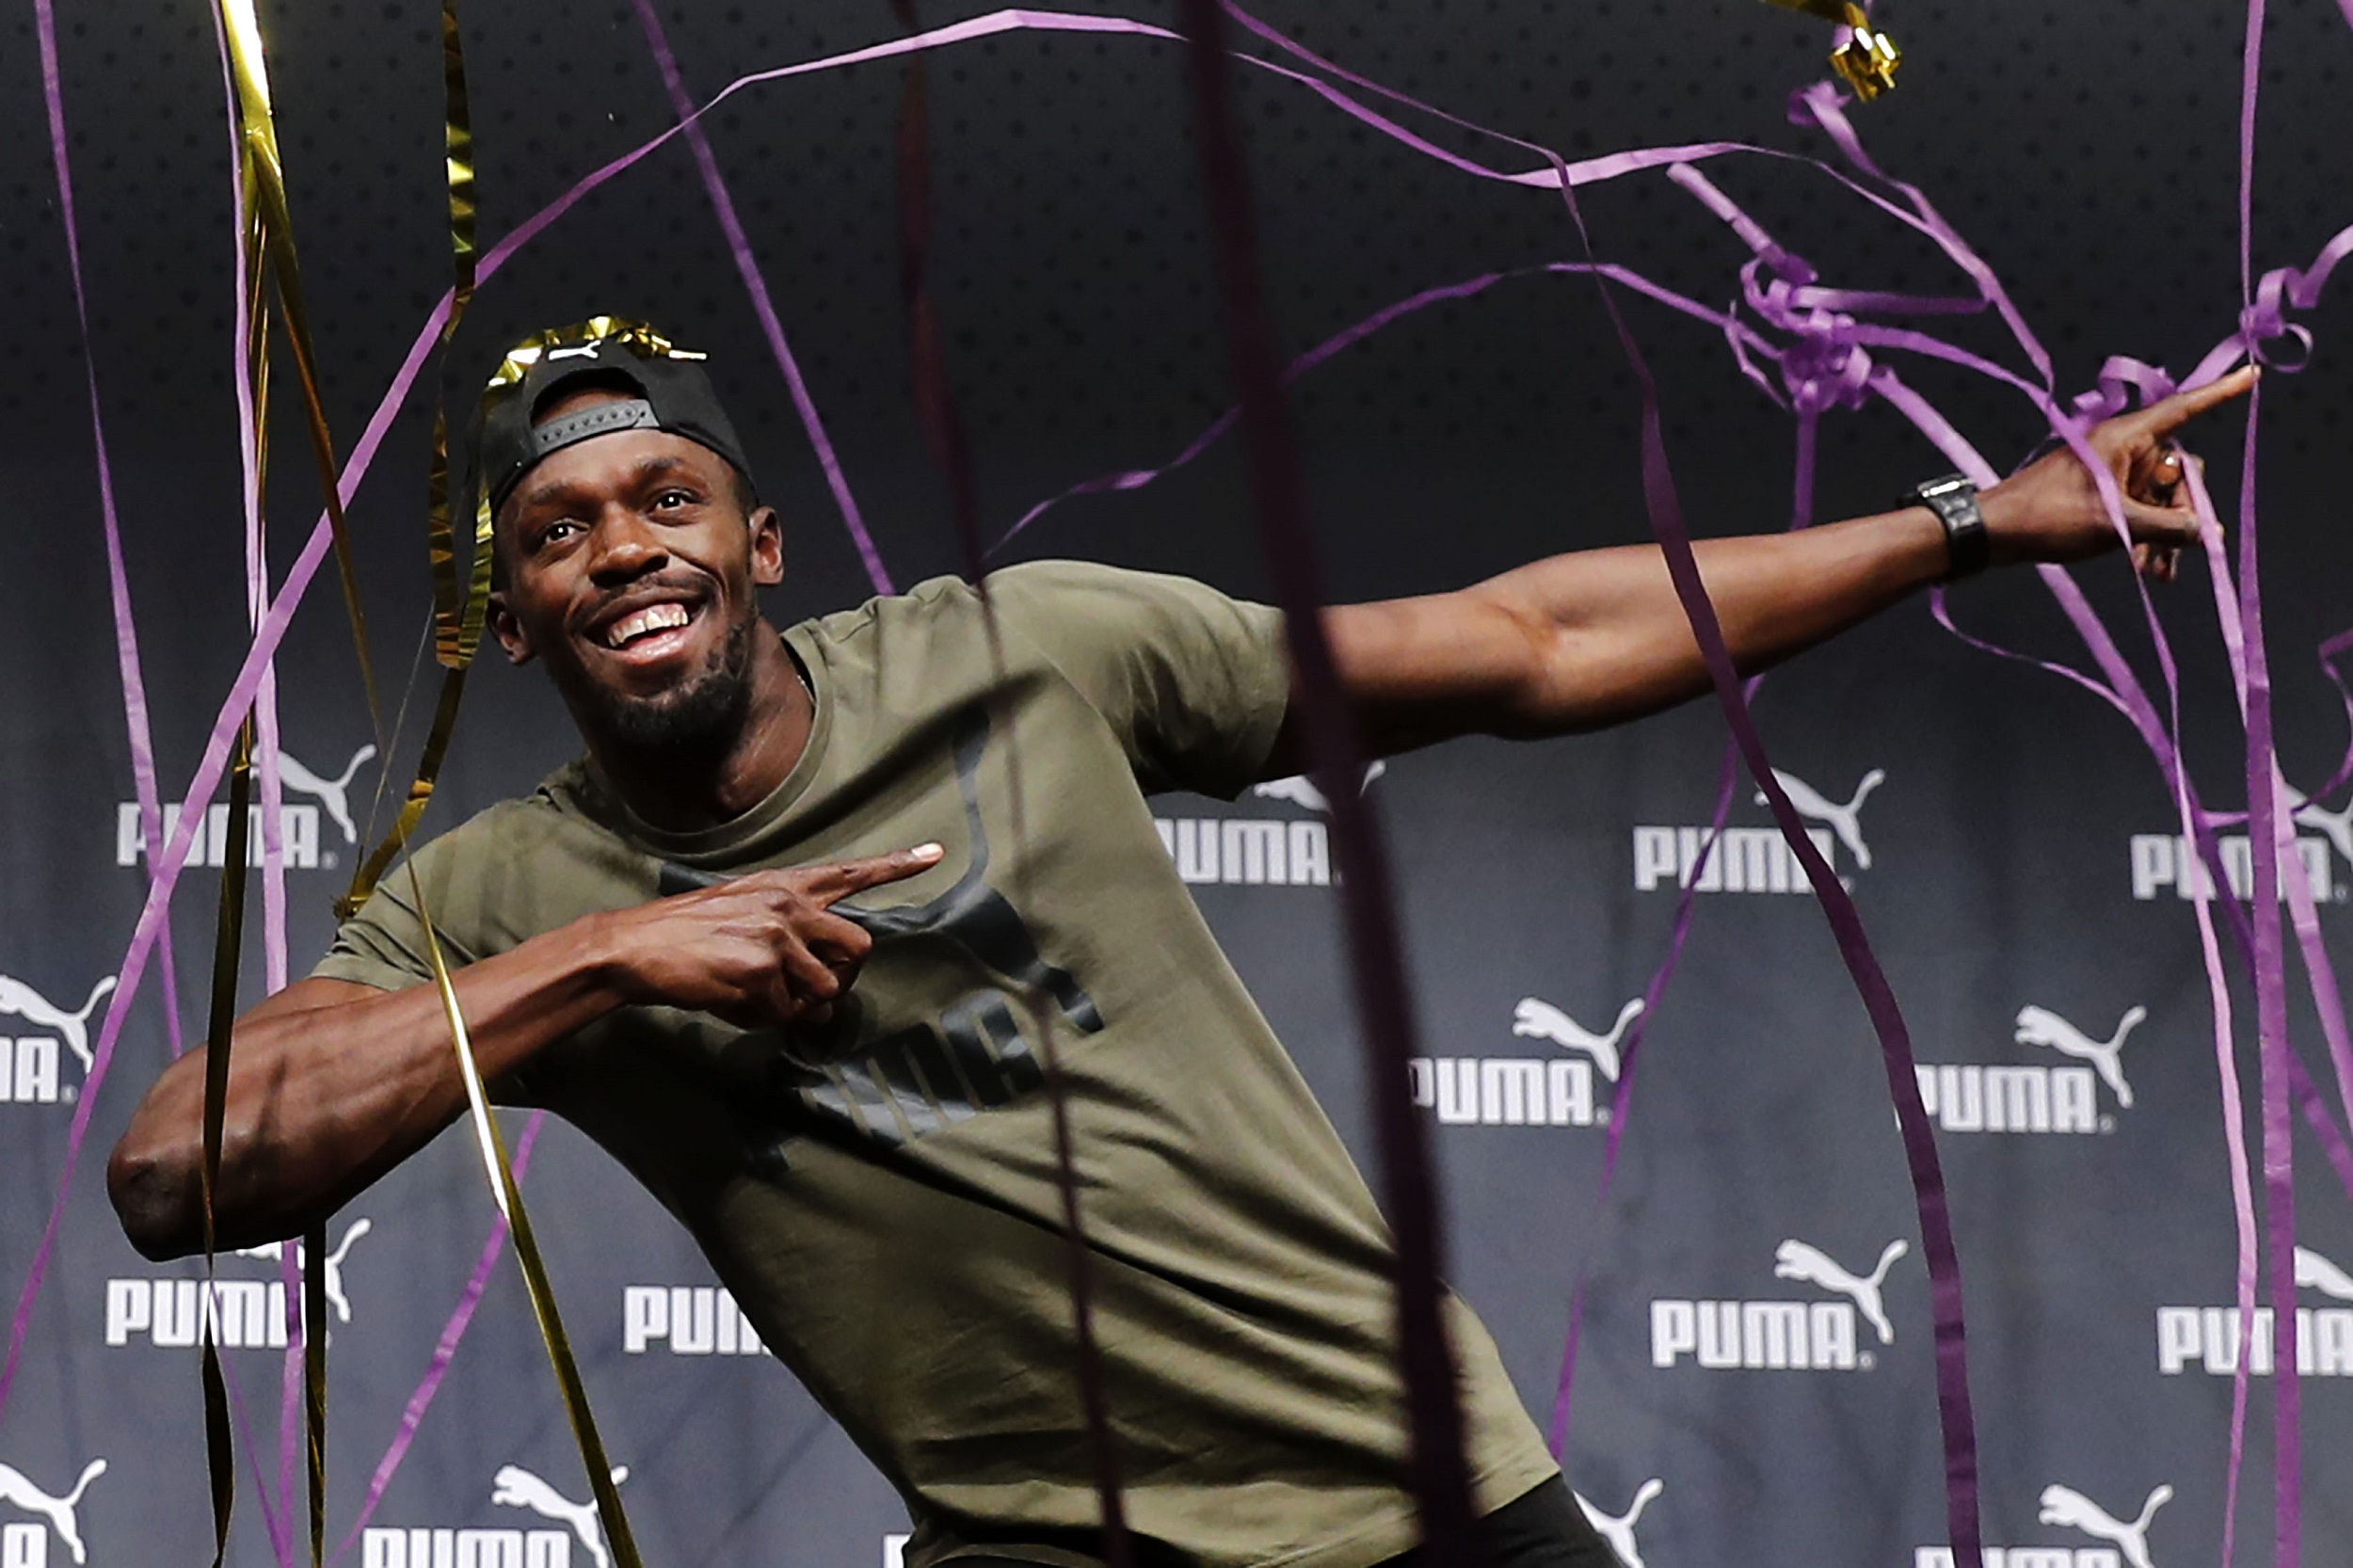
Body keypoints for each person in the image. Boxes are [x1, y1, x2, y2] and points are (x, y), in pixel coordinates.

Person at [106, 320, 2251, 1568]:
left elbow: (1526, 638)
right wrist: (600, 969)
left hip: (1409, 1486)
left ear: (760, 539)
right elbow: (170, 1168)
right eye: (557, 533)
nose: (621, 552)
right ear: (513, 613)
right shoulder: (502, 893)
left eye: (665, 499)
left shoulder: (1020, 653)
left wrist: (1977, 517)